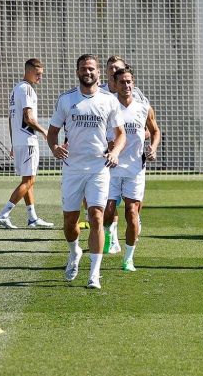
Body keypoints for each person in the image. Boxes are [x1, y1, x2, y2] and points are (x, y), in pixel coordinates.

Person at [47, 54, 126, 289]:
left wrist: (115, 153)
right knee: (70, 222)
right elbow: (52, 132)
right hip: (72, 169)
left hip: (98, 168)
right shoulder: (66, 100)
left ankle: (94, 274)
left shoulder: (109, 100)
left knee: (97, 217)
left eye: (91, 68)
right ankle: (74, 253)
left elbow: (120, 134)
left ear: (98, 72)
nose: (87, 72)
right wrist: (54, 147)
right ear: (77, 72)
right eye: (83, 68)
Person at [104, 67, 160, 271]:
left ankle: (128, 258)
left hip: (135, 169)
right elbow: (98, 132)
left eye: (129, 82)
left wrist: (152, 148)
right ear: (115, 85)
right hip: (110, 167)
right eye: (122, 82)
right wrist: (106, 147)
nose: (126, 85)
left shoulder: (143, 107)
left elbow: (155, 131)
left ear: (133, 83)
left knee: (132, 211)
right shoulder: (108, 106)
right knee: (107, 211)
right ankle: (109, 233)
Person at [100, 55, 152, 253]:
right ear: (108, 75)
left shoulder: (138, 98)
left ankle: (127, 239)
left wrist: (142, 136)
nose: (114, 71)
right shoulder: (101, 95)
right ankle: (110, 236)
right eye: (111, 69)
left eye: (118, 68)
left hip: (134, 163)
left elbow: (148, 127)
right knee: (108, 206)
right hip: (109, 161)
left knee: (131, 208)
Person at [0, 58, 53, 229]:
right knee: (29, 181)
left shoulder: (15, 90)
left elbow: (11, 119)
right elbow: (28, 118)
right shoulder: (26, 89)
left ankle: (32, 218)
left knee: (28, 180)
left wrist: (13, 143)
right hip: (28, 140)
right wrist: (44, 131)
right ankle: (4, 214)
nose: (40, 78)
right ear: (28, 71)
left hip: (19, 141)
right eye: (38, 74)